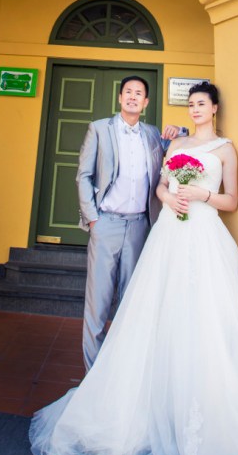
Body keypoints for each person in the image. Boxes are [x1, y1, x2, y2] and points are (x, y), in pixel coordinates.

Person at [31, 81, 238, 455]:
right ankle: (108, 389)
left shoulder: (225, 148)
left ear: (215, 108)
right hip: (163, 233)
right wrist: (170, 198)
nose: (196, 110)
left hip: (203, 237)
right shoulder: (171, 141)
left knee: (204, 320)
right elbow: (160, 186)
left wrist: (201, 195)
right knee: (136, 314)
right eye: (192, 104)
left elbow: (232, 199)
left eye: (202, 104)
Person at [76, 74, 183, 372]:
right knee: (98, 302)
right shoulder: (99, 129)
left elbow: (181, 145)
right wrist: (93, 218)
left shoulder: (152, 134)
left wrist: (180, 129)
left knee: (131, 301)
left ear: (146, 102)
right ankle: (92, 376)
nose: (133, 97)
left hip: (139, 226)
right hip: (106, 223)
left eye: (139, 93)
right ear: (120, 98)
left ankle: (121, 374)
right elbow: (83, 175)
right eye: (128, 92)